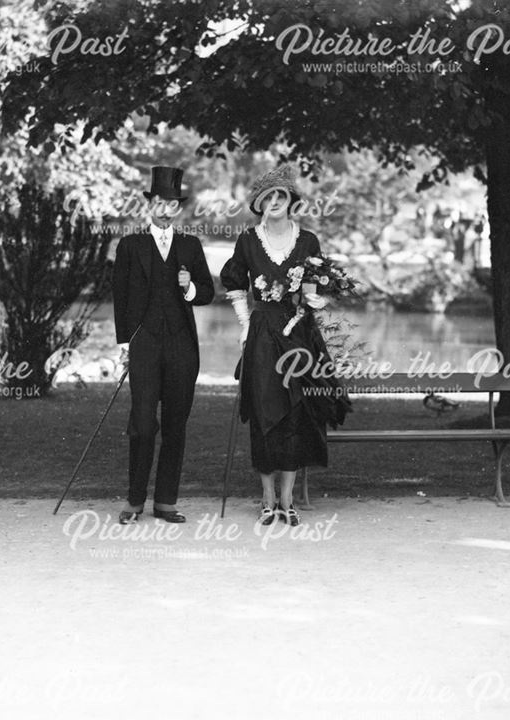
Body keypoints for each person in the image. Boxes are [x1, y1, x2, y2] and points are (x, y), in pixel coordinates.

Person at [220, 164, 350, 526]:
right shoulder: (248, 240)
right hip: (262, 333)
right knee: (264, 412)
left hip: (299, 334)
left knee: (296, 413)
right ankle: (266, 499)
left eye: (281, 196)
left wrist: (315, 301)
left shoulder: (307, 241)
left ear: (291, 201)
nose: (275, 202)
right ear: (260, 204)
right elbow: (234, 283)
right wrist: (245, 325)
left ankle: (287, 500)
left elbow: (313, 285)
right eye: (268, 198)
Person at [113, 166, 215, 524]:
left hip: (181, 346)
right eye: (159, 202)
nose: (165, 209)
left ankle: (166, 501)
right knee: (142, 422)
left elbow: (207, 293)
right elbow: (120, 296)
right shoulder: (130, 245)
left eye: (171, 204)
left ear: (178, 208)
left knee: (176, 422)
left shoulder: (190, 245)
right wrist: (124, 344)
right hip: (144, 343)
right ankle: (135, 499)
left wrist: (188, 287)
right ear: (150, 205)